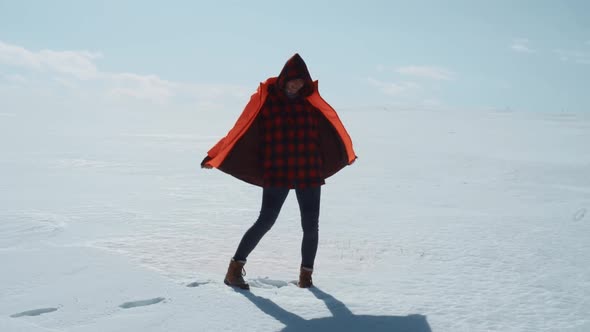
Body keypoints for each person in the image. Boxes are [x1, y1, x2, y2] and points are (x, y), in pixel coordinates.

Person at [201, 53, 356, 290]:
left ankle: (306, 278)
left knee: (311, 225)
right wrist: (216, 154)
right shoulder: (265, 101)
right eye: (293, 79)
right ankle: (234, 269)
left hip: (308, 169)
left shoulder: (309, 103)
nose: (297, 84)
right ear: (284, 78)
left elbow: (329, 132)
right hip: (278, 168)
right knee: (266, 220)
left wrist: (343, 153)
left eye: (301, 80)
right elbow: (240, 128)